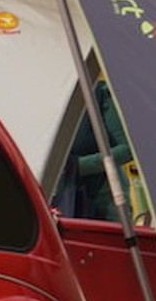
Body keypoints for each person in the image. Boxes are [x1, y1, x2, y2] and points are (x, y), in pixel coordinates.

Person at [55, 79, 132, 220]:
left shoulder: (99, 91)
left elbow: (127, 149)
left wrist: (77, 166)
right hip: (58, 198)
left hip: (105, 200)